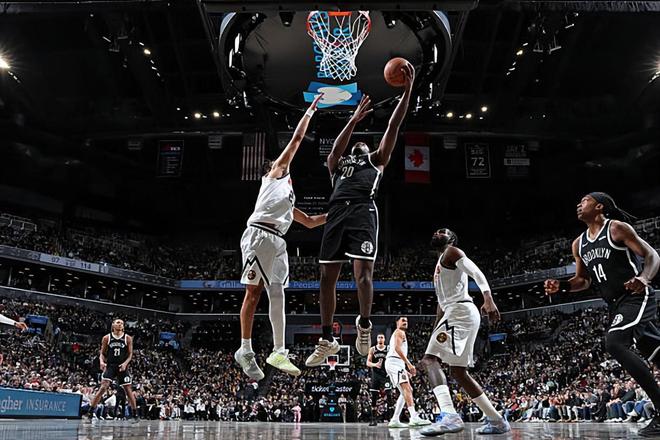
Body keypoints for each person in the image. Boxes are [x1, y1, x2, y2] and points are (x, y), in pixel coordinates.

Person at [306, 62, 416, 367]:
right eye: (356, 142)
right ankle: (327, 338)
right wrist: (353, 120)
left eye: (362, 142)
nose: (359, 143)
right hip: (336, 214)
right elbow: (333, 153)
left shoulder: (376, 159)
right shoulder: (338, 166)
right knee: (325, 278)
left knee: (363, 276)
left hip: (363, 211)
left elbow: (393, 126)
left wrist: (407, 92)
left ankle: (364, 324)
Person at [545, 192, 660, 437]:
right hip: (614, 305)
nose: (579, 204)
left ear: (599, 207)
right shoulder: (578, 244)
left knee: (615, 343)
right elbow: (583, 281)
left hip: (635, 296)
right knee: (655, 351)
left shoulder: (617, 228)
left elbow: (652, 256)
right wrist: (562, 286)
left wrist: (643, 278)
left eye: (584, 201)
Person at [235, 94, 328, 380]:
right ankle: (245, 350)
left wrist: (338, 213)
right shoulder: (274, 176)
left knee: (278, 292)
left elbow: (310, 222)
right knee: (253, 292)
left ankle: (279, 351)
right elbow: (297, 140)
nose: (284, 163)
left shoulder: (288, 197)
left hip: (277, 241)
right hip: (259, 235)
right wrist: (309, 112)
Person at [419, 228, 510, 436]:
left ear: (451, 239)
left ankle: (449, 415)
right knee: (458, 372)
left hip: (460, 311)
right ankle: (497, 420)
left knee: (429, 360)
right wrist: (434, 333)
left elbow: (475, 272)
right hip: (457, 312)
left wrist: (488, 298)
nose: (437, 232)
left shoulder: (452, 251)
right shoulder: (440, 264)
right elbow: (441, 305)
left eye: (443, 231)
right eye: (436, 230)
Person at [87, 319, 139, 423]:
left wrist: (125, 364)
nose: (120, 324)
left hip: (122, 366)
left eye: (122, 323)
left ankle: (135, 414)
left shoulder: (128, 338)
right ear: (113, 325)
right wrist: (101, 362)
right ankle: (90, 411)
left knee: (128, 390)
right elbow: (102, 353)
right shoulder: (107, 338)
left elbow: (130, 355)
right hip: (110, 365)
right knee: (103, 388)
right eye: (118, 322)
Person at [385, 316, 432, 428]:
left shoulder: (400, 333)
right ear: (397, 322)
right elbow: (397, 349)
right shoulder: (399, 332)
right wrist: (409, 364)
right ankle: (414, 417)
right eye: (403, 320)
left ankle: (395, 419)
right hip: (395, 362)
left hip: (396, 363)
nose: (405, 322)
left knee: (406, 390)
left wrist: (404, 369)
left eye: (406, 321)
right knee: (407, 389)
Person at [366, 333, 389, 426]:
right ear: (376, 339)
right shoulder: (372, 349)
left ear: (384, 339)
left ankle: (391, 418)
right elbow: (368, 362)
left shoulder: (388, 348)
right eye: (379, 337)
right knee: (374, 397)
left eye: (382, 337)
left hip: (386, 375)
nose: (380, 339)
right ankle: (373, 419)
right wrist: (375, 364)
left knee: (389, 395)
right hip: (376, 375)